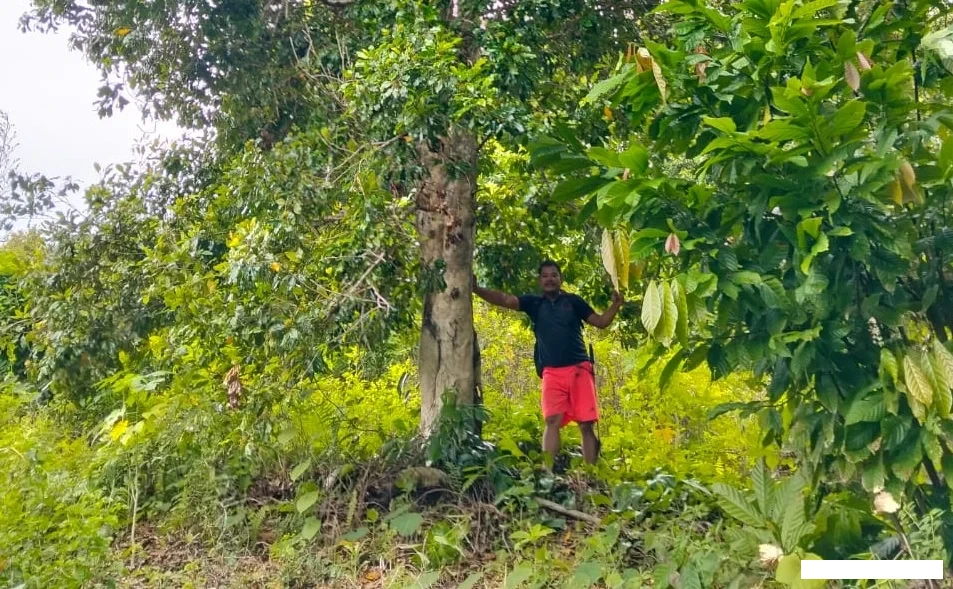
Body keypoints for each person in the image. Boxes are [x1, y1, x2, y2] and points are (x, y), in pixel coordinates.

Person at [473, 260, 623, 465]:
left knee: (586, 424)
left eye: (554, 275)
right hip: (552, 372)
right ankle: (547, 474)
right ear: (539, 281)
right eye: (545, 276)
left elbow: (601, 322)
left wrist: (615, 305)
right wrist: (476, 288)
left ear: (560, 279)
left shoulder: (573, 302)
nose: (550, 279)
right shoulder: (534, 304)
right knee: (552, 420)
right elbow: (504, 299)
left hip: (579, 369)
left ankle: (591, 475)